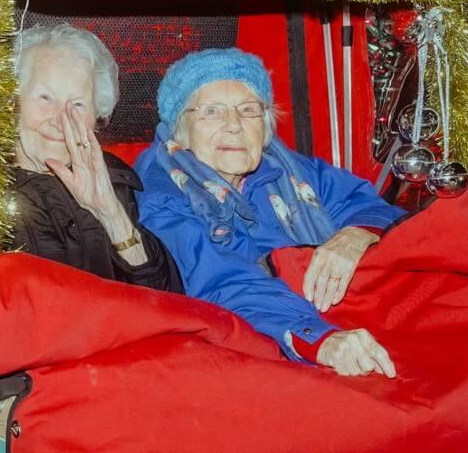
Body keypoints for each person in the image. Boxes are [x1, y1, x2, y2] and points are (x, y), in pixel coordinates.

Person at [135, 47, 406, 378]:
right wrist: (320, 340)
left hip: (347, 317)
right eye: (212, 112)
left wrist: (354, 235)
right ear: (181, 129)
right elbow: (226, 285)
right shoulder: (163, 196)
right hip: (263, 350)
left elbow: (367, 205)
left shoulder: (289, 168)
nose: (234, 126)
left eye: (248, 110)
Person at [4, 23, 180, 289]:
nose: (61, 120)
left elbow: (166, 298)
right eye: (45, 98)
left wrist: (111, 214)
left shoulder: (115, 179)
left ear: (96, 114)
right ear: (12, 101)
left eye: (77, 104)